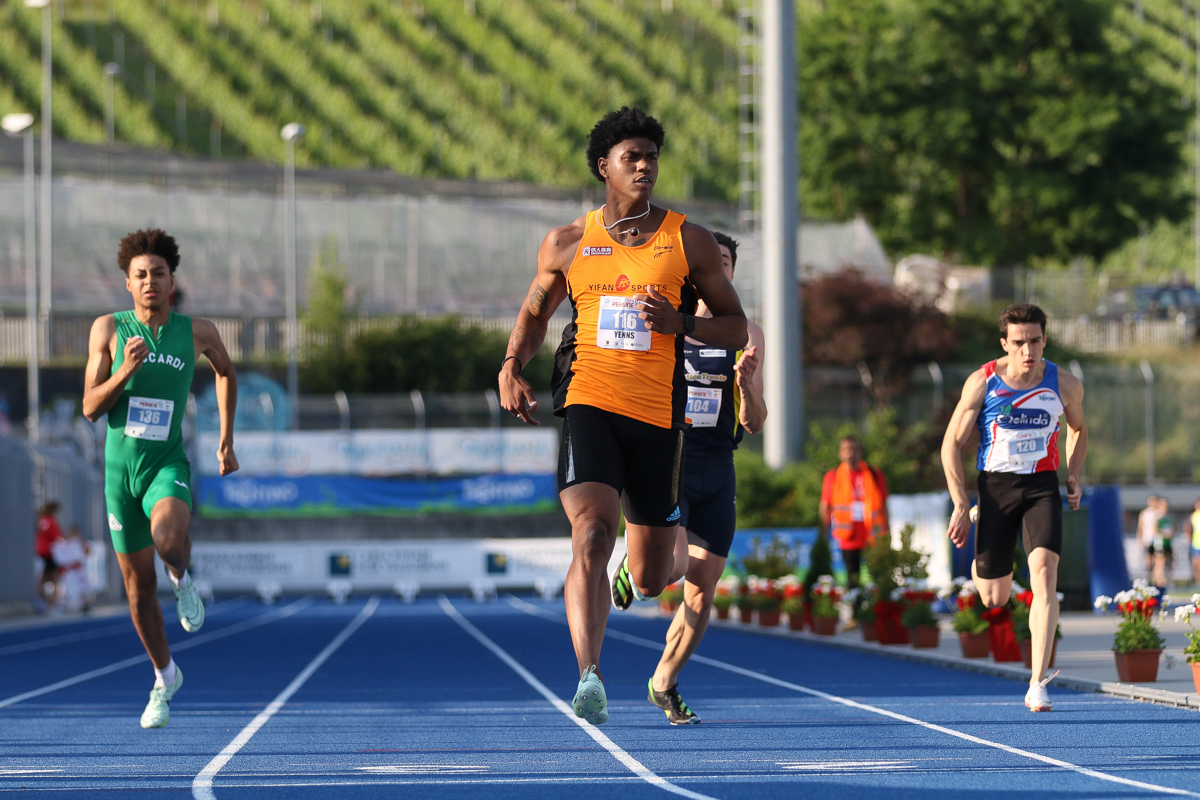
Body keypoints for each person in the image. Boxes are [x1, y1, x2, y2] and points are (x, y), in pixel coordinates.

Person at [498, 108, 748, 725]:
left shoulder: (688, 240)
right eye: (631, 157)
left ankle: (633, 576)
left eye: (651, 157)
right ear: (603, 167)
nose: (644, 166)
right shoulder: (568, 242)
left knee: (654, 575)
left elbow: (736, 327)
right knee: (590, 532)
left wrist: (681, 323)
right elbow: (534, 313)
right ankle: (590, 675)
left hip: (659, 418)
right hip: (589, 401)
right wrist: (511, 364)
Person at [82, 228, 239, 729]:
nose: (150, 281)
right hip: (119, 477)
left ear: (172, 282)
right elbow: (90, 407)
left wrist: (225, 439)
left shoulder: (198, 332)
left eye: (159, 273)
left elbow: (226, 372)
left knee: (170, 543)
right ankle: (165, 677)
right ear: (128, 283)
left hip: (166, 464)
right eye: (141, 275)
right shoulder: (108, 329)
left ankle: (183, 578)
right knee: (137, 590)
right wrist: (124, 371)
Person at [609, 231, 766, 725]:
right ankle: (635, 564)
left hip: (719, 468)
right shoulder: (666, 322)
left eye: (725, 262)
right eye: (710, 260)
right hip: (672, 460)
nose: (717, 268)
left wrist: (746, 386)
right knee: (670, 571)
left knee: (703, 589)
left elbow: (755, 422)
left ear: (731, 273)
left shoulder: (747, 333)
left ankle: (664, 682)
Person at [942, 303, 1087, 713]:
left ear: (1045, 340)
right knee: (994, 597)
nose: (1028, 351)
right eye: (1019, 342)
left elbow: (1078, 429)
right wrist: (961, 502)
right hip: (995, 488)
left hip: (1041, 487)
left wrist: (1074, 474)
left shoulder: (1065, 384)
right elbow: (951, 444)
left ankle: (1037, 682)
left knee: (1045, 575)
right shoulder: (983, 383)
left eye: (1035, 341)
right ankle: (983, 534)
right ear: (1005, 343)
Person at [819, 437, 889, 591]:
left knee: (878, 576)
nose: (851, 453)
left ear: (860, 452)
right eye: (847, 449)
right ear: (840, 453)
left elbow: (884, 503)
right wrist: (823, 529)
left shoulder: (874, 474)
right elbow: (825, 505)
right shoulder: (833, 476)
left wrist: (887, 528)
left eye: (854, 449)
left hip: (872, 534)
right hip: (848, 536)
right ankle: (855, 604)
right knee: (852, 576)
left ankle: (877, 605)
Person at [51, 525, 92, 613]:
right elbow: (58, 556)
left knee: (83, 589)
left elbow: (88, 553)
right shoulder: (63, 544)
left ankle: (83, 605)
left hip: (79, 571)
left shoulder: (81, 543)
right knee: (67, 590)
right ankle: (64, 606)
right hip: (69, 572)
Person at [34, 501, 63, 610]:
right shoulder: (51, 521)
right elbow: (57, 537)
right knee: (55, 579)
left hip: (39, 551)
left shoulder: (40, 520)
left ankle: (40, 600)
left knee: (42, 578)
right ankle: (51, 604)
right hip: (48, 553)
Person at [1152, 496, 1175, 587]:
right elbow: (1154, 529)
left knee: (1170, 561)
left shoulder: (1169, 516)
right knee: (1160, 561)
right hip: (1160, 542)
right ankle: (1158, 581)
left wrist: (1171, 533)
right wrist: (1163, 533)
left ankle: (1164, 579)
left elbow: (1174, 527)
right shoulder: (1157, 516)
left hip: (1168, 542)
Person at [1137, 495, 1161, 580]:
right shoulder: (1145, 513)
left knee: (1157, 559)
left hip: (1157, 539)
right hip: (1147, 539)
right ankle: (1149, 576)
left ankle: (1156, 578)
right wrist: (1140, 539)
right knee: (1148, 559)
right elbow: (1140, 527)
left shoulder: (1159, 513)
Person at [1189, 500, 1200, 586]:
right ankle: (1198, 582)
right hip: (1196, 543)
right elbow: (1188, 527)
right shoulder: (1193, 516)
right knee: (1196, 563)